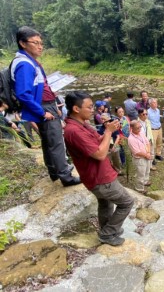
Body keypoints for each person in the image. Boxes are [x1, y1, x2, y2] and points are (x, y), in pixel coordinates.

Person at [11, 26, 79, 186]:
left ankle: (55, 172)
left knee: (48, 141)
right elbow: (23, 93)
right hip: (42, 106)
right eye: (35, 43)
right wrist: (42, 112)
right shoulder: (24, 64)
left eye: (41, 43)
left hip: (46, 104)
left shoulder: (28, 61)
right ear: (23, 43)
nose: (40, 46)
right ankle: (66, 176)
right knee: (55, 141)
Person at [64, 91, 134, 246]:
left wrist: (109, 130)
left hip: (98, 175)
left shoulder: (82, 124)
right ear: (76, 109)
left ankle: (107, 228)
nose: (93, 110)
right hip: (100, 178)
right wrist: (108, 131)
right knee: (127, 202)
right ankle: (108, 233)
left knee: (106, 203)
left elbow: (98, 141)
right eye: (89, 107)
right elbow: (100, 154)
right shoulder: (73, 131)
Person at [128, 120, 152, 193]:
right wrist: (146, 155)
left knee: (147, 170)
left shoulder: (141, 133)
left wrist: (148, 152)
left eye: (140, 127)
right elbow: (136, 152)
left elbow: (147, 142)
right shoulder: (131, 139)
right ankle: (139, 188)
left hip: (146, 155)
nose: (140, 129)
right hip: (140, 159)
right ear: (132, 128)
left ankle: (145, 181)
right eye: (137, 128)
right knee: (140, 174)